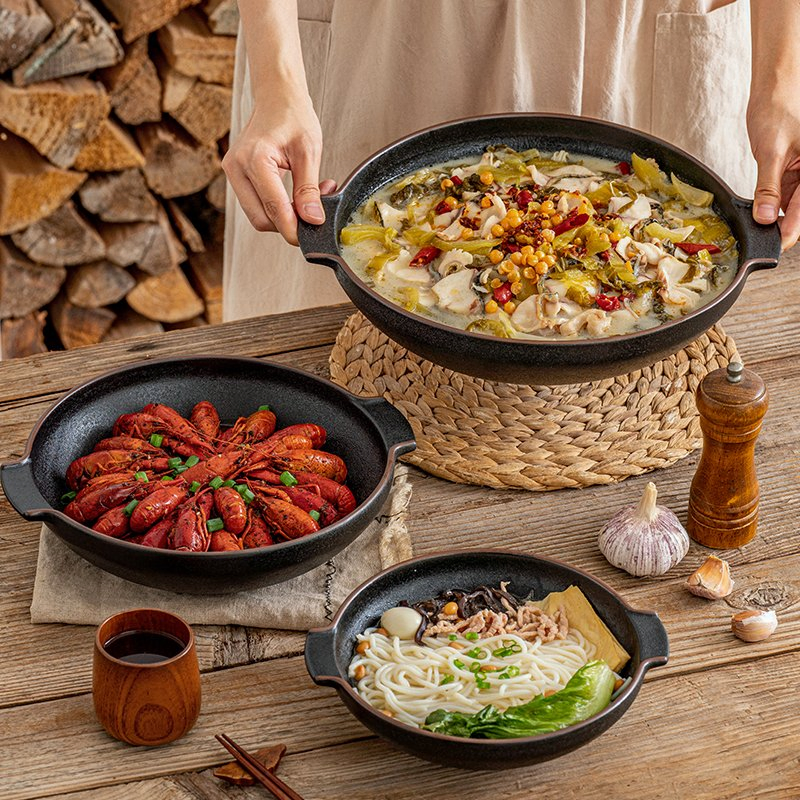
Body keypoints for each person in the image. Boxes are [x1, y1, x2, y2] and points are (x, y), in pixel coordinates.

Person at [222, 0, 800, 322]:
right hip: (402, 33)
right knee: (341, 347)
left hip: (641, 25)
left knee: (680, 351)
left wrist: (783, 82)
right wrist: (278, 83)